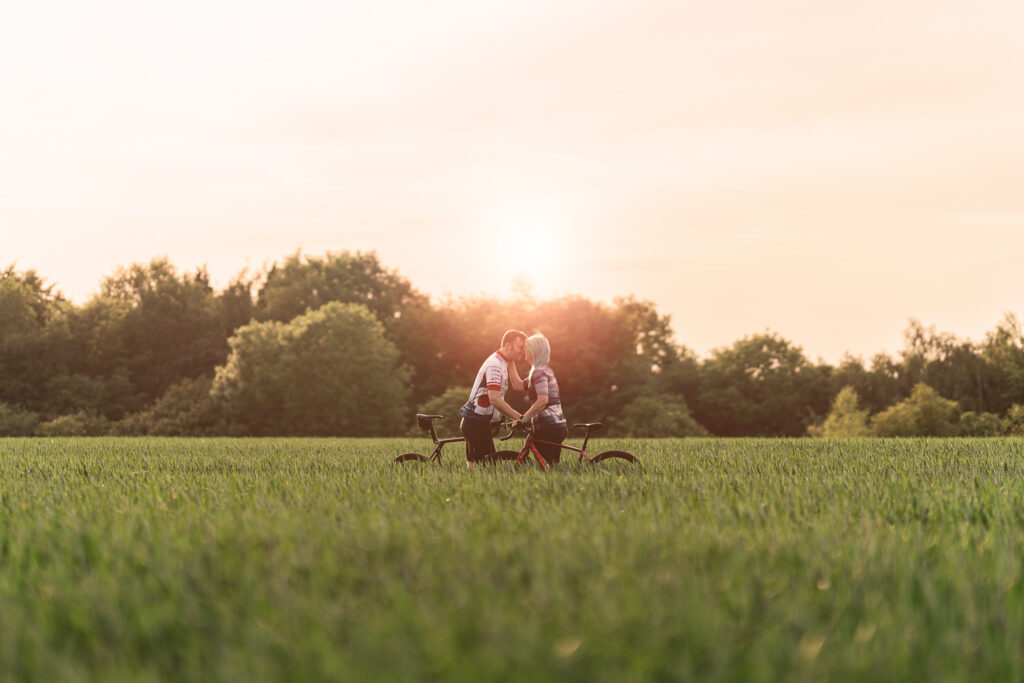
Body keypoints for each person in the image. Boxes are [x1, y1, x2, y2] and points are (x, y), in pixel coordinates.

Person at [459, 329, 527, 467]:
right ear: (508, 346)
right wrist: (520, 418)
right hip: (475, 424)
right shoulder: (495, 365)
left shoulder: (505, 361)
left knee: (477, 470)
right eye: (521, 347)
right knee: (488, 471)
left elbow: (517, 385)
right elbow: (494, 399)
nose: (523, 351)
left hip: (479, 422)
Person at [516, 333, 568, 465]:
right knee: (553, 467)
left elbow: (542, 400)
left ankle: (553, 485)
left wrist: (523, 419)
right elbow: (517, 386)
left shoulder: (539, 372)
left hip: (548, 428)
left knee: (547, 468)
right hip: (555, 426)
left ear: (534, 351)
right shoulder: (541, 370)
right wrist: (509, 361)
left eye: (526, 347)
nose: (524, 350)